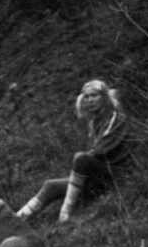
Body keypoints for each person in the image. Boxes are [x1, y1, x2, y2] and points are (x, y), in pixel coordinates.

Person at [16, 79, 130, 222]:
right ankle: (16, 221)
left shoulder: (115, 117)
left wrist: (81, 164)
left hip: (116, 173)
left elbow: (101, 149)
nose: (90, 100)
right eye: (87, 97)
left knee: (81, 158)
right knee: (51, 185)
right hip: (97, 175)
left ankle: (65, 213)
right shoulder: (94, 122)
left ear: (104, 97)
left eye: (94, 96)